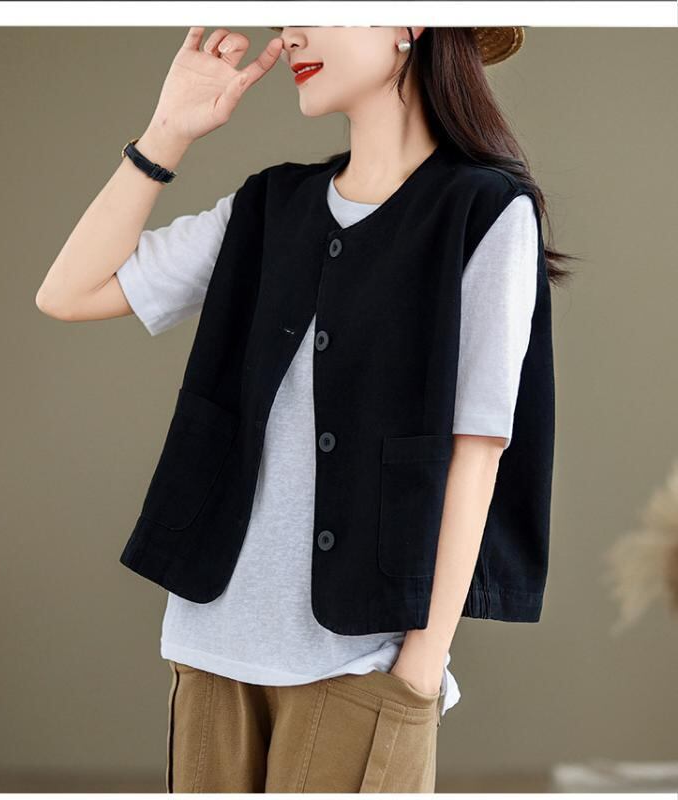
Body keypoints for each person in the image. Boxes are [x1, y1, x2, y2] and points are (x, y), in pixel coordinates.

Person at [36, 25, 572, 793]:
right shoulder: (268, 205)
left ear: (408, 23)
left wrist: (419, 668)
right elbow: (69, 291)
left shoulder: (483, 210)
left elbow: (477, 450)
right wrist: (167, 131)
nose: (290, 32)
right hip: (208, 646)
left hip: (360, 659)